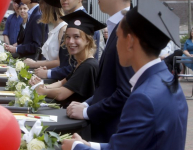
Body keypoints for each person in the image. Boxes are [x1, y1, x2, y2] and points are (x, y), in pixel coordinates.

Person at [62, 0, 188, 150]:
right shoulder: (167, 80)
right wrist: (89, 145)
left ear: (129, 41)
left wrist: (76, 147)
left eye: (118, 37)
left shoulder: (143, 97)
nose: (115, 44)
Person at [66, 0, 134, 143]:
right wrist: (86, 104)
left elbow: (125, 91)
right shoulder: (117, 25)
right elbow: (106, 85)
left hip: (112, 130)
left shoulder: (128, 27)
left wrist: (87, 112)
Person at [29, 10, 105, 108]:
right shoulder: (80, 62)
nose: (70, 41)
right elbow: (62, 83)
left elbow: (61, 94)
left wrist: (41, 90)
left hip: (77, 121)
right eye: (68, 37)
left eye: (76, 37)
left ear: (87, 40)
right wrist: (41, 85)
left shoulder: (88, 66)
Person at [33, 0, 100, 80]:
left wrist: (49, 73)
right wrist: (50, 71)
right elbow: (65, 63)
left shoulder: (87, 23)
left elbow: (78, 67)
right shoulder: (71, 20)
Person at [24, 0, 67, 69]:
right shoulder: (54, 27)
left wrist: (35, 64)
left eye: (41, 4)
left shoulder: (63, 29)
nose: (40, 9)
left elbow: (60, 62)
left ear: (49, 7)